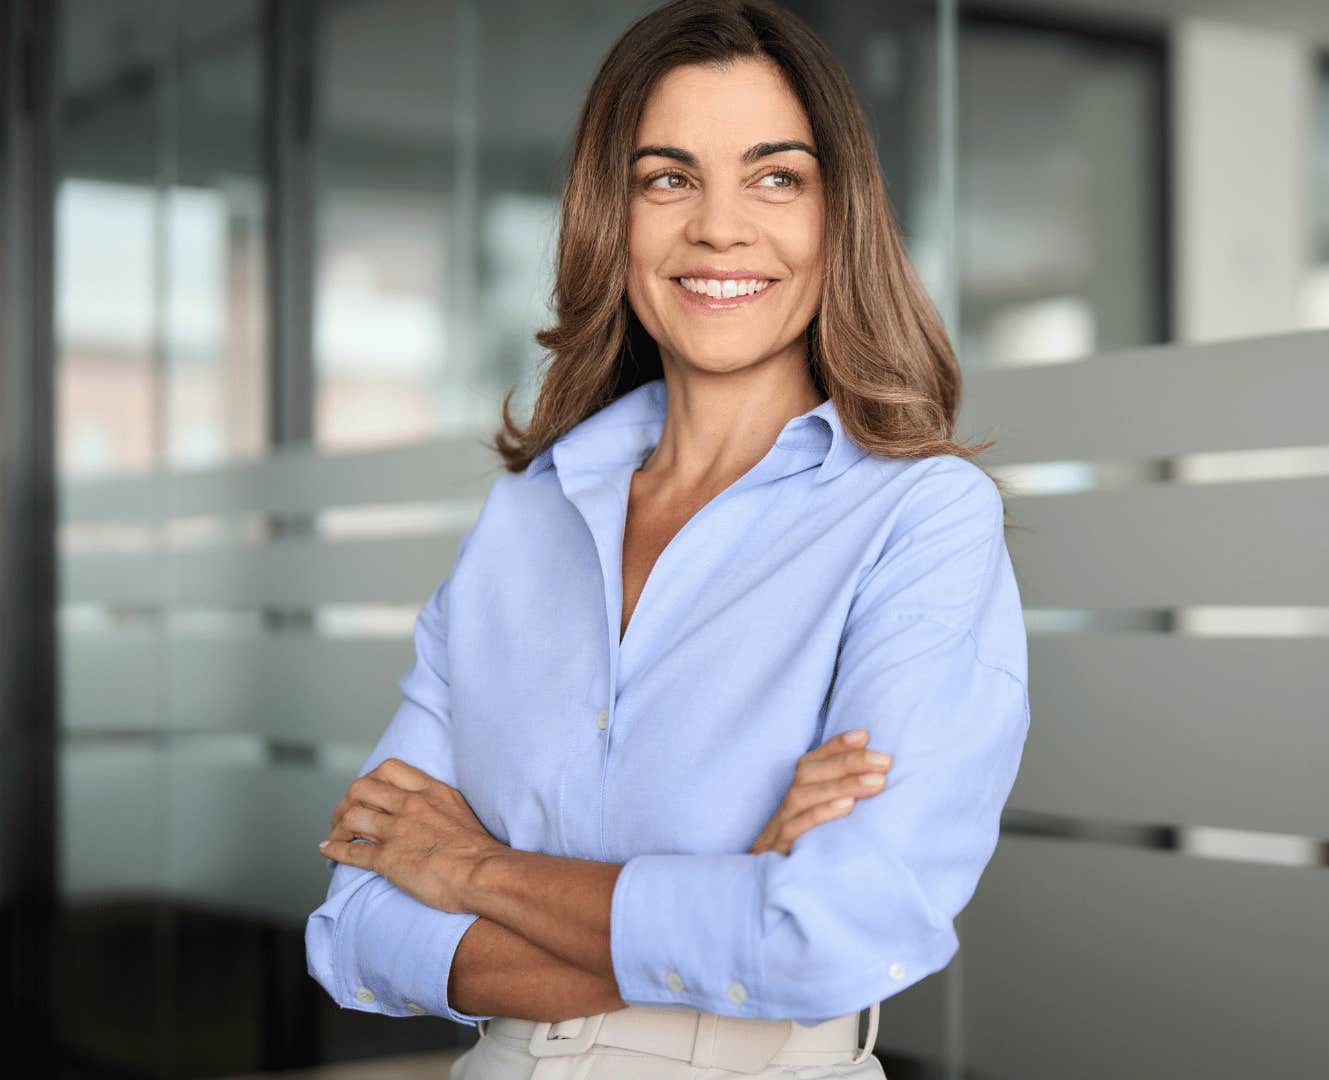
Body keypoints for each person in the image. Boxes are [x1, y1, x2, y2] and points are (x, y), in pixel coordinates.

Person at [301, 1, 1032, 1076]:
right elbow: (358, 920)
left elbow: (832, 932)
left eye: (775, 176)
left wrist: (473, 872)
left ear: (841, 216)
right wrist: (731, 882)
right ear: (616, 215)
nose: (719, 227)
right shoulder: (527, 515)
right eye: (669, 178)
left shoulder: (918, 519)